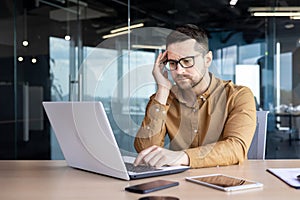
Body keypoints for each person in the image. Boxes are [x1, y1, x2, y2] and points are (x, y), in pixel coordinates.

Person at [133, 24, 257, 169]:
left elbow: (236, 148)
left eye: (187, 61)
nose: (179, 71)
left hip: (227, 183)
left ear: (207, 60)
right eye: (172, 63)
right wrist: (162, 90)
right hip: (179, 184)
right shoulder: (164, 98)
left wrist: (183, 156)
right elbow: (146, 150)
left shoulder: (238, 96)